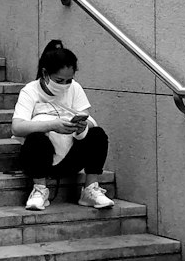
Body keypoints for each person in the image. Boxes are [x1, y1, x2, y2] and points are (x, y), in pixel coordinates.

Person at [11, 38, 113, 211]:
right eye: (59, 81)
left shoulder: (75, 88)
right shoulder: (30, 90)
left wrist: (82, 126)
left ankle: (90, 189)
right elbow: (17, 127)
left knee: (97, 134)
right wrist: (51, 125)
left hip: (71, 156)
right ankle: (39, 190)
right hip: (43, 159)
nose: (65, 86)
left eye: (69, 81)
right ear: (45, 74)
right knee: (36, 138)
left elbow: (87, 116)